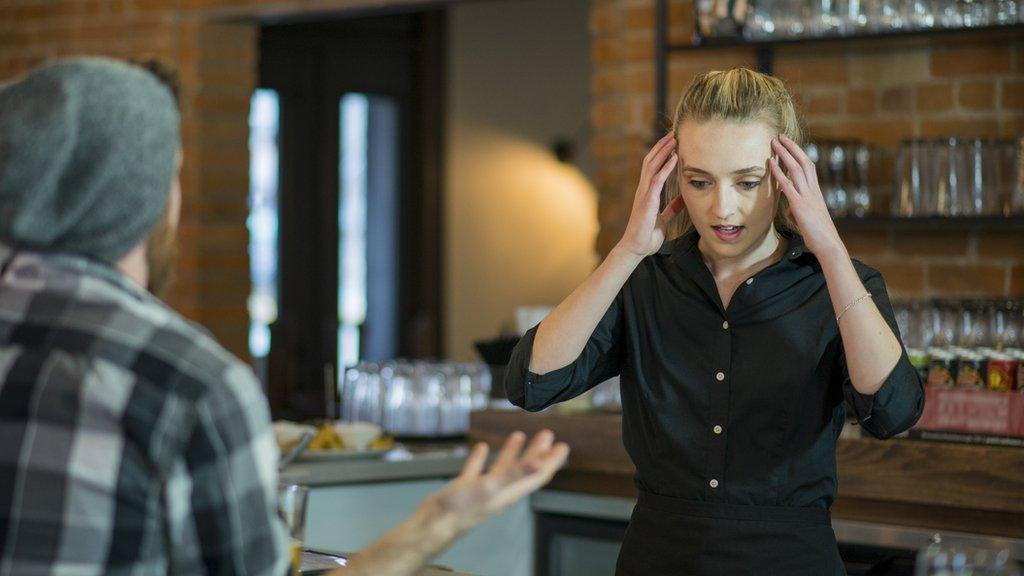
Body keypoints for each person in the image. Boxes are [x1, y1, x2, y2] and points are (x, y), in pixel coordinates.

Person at [0, 57, 569, 576]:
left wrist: (437, 519)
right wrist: (441, 526)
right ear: (142, 198)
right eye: (171, 174)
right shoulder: (187, 383)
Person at [505, 68, 924, 575]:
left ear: (787, 175)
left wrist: (831, 250)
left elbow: (893, 412)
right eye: (699, 181)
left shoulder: (836, 284)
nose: (722, 208)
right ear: (671, 176)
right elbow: (533, 382)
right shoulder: (643, 281)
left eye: (747, 182)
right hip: (658, 559)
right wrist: (628, 251)